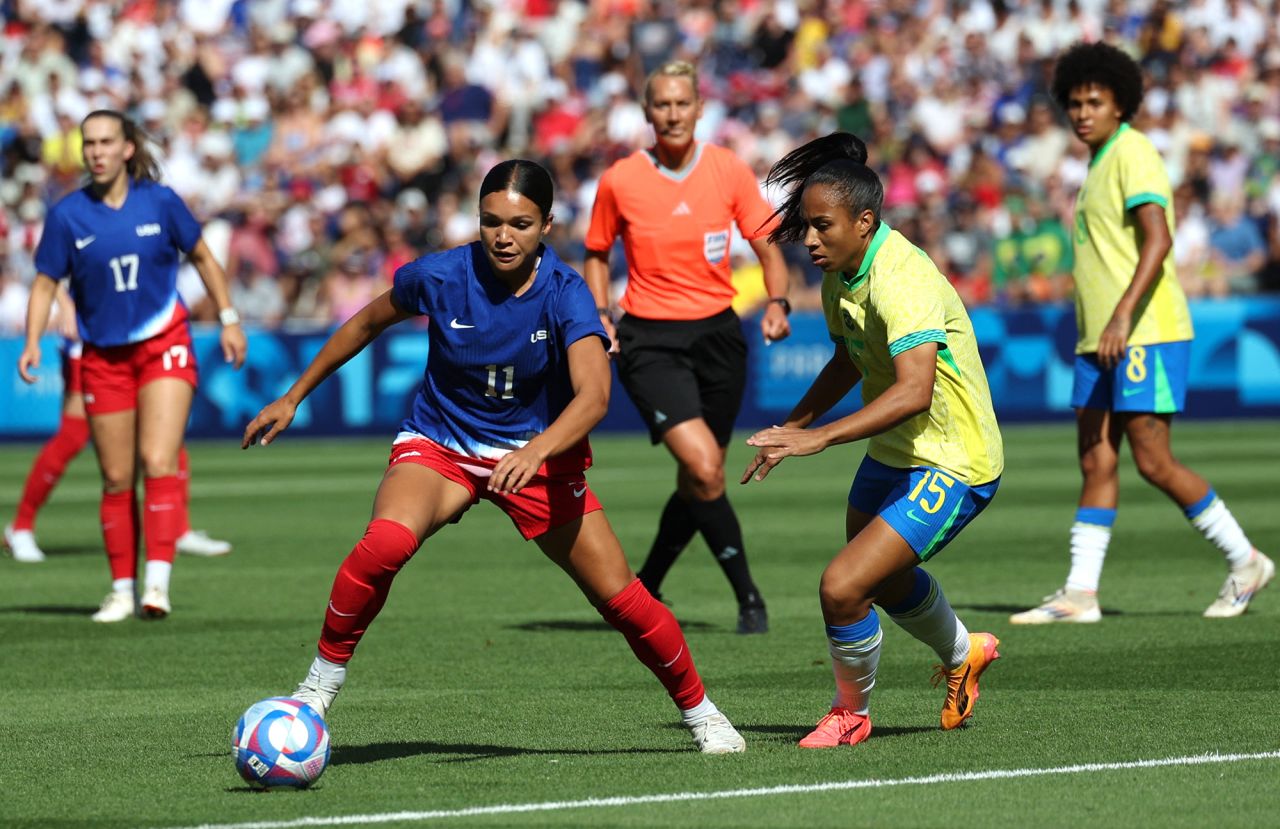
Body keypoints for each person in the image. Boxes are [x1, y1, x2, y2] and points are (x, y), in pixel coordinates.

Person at [241, 160, 746, 754]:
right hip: (441, 443)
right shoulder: (440, 275)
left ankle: (702, 713)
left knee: (622, 598)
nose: (504, 236)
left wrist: (536, 451)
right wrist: (294, 395)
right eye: (491, 221)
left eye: (520, 224)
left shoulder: (565, 293)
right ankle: (314, 691)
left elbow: (595, 397)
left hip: (536, 458)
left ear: (546, 226)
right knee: (384, 544)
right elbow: (368, 321)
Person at [741, 133, 1004, 748]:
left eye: (820, 226)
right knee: (875, 581)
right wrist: (796, 425)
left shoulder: (902, 279)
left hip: (953, 460)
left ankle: (851, 713)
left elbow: (913, 391)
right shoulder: (843, 270)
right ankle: (967, 653)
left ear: (864, 221)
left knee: (842, 586)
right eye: (805, 226)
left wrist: (822, 438)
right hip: (896, 452)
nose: (809, 239)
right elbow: (849, 359)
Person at [1010, 42, 1273, 625]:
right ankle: (1080, 593)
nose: (1082, 112)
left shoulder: (1134, 153)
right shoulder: (1098, 161)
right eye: (1075, 102)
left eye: (1095, 101)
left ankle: (1245, 559)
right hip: (1098, 339)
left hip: (1142, 333)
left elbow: (1158, 238)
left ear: (1121, 105)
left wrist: (1124, 315)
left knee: (1153, 461)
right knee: (1095, 460)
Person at [583, 60, 792, 634]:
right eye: (661, 105)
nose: (672, 114)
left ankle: (645, 586)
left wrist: (777, 303)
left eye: (682, 104)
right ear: (646, 113)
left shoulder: (727, 169)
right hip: (650, 340)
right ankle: (749, 597)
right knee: (704, 466)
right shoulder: (621, 179)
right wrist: (602, 313)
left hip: (720, 337)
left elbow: (769, 247)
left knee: (703, 477)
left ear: (700, 109)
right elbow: (597, 252)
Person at [17, 110, 246, 621]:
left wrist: (229, 318)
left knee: (158, 462)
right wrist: (32, 341)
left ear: (126, 149)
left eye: (106, 142)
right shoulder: (68, 214)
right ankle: (120, 588)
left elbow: (205, 258)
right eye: (88, 143)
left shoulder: (161, 202)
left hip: (163, 343)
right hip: (103, 356)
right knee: (117, 477)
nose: (96, 151)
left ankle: (156, 585)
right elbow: (44, 283)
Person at [6, 291, 233, 563]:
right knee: (73, 434)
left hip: (136, 326)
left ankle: (178, 529)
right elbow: (50, 260)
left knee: (164, 434)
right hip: (89, 330)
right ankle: (21, 526)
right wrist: (65, 304)